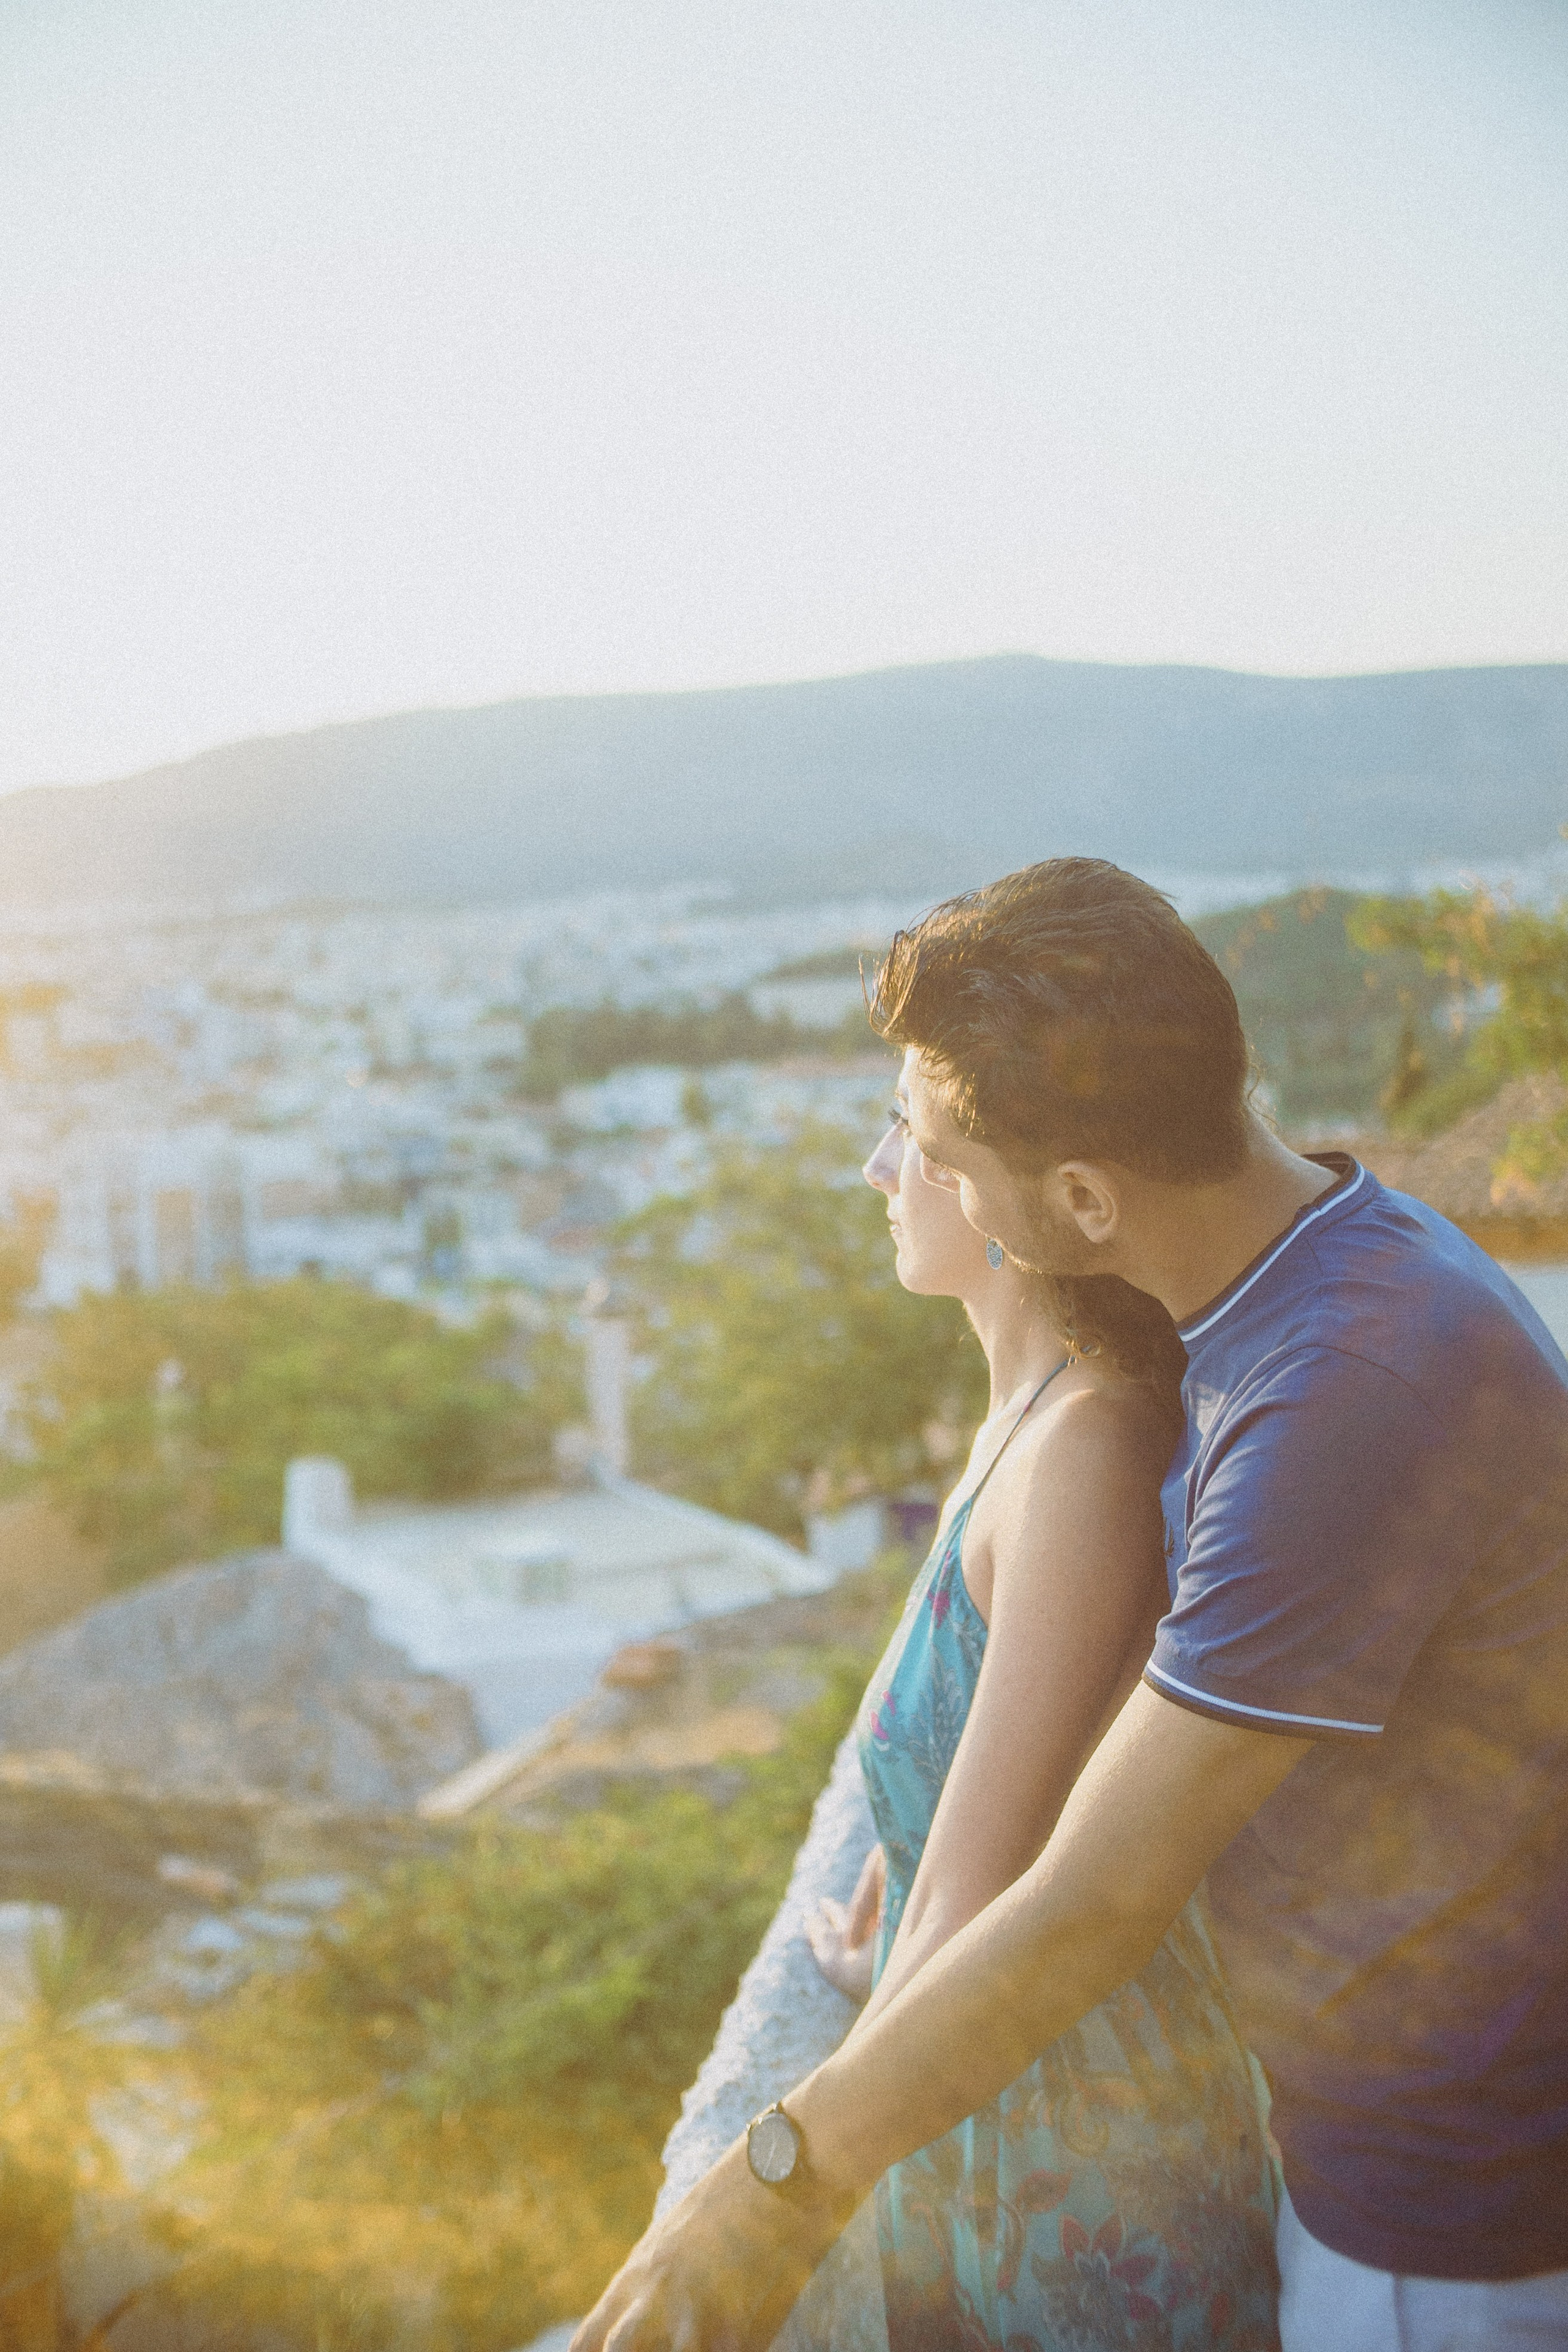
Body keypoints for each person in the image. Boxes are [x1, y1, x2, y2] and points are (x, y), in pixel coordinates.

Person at [575, 860, 1568, 2352]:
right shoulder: (1332, 1280)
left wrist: (769, 2187)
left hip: (1448, 2215)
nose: (913, 1183)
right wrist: (913, 1939)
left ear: (1085, 1199)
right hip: (1398, 2145)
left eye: (944, 1162)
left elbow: (1099, 1895)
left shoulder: (1336, 1392)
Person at [800, 1062, 1280, 2348]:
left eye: (906, 1136)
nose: (879, 1170)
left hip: (1092, 2181)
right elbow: (961, 1831)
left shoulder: (1086, 1451)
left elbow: (997, 1879)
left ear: (1011, 1189)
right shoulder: (1016, 1423)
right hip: (984, 2124)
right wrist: (888, 1919)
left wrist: (781, 2180)